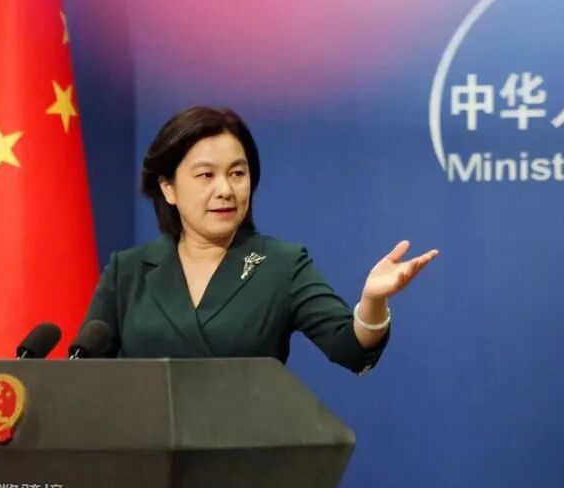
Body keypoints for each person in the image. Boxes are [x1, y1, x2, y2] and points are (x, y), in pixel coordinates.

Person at [80, 106, 438, 374]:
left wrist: (373, 301)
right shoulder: (128, 271)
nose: (225, 189)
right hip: (149, 451)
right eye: (206, 175)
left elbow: (351, 349)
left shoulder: (282, 264)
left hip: (247, 449)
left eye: (237, 173)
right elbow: (86, 377)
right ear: (168, 188)